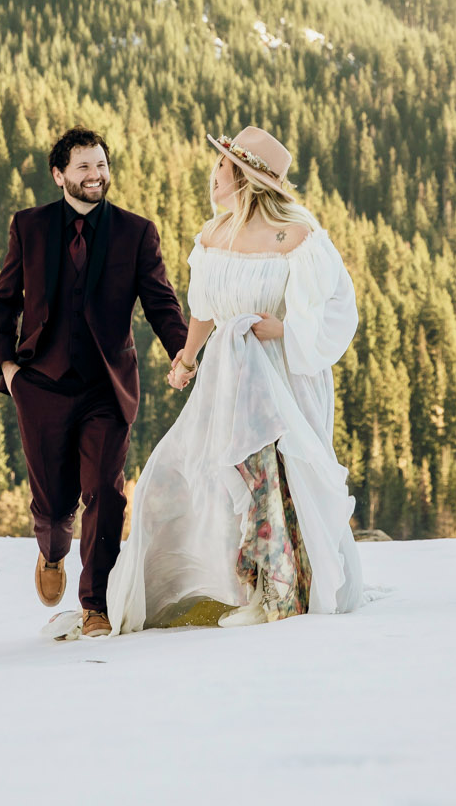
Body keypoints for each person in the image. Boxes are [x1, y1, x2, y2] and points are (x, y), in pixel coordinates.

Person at [105, 126, 363, 633]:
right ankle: (246, 586)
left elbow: (340, 309)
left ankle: (282, 591)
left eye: (222, 167)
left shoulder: (297, 234)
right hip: (229, 375)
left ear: (243, 177)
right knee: (207, 476)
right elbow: (202, 309)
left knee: (279, 480)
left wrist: (286, 331)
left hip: (282, 375)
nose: (213, 175)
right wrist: (186, 359)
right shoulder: (213, 235)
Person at [0, 128, 188, 639]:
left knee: (104, 491)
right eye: (83, 167)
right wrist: (8, 369)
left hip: (107, 384)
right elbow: (5, 302)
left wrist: (186, 355)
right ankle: (52, 551)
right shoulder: (28, 227)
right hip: (40, 385)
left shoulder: (135, 232)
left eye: (100, 164)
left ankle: (94, 603)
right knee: (54, 507)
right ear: (59, 176)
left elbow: (161, 302)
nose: (95, 175)